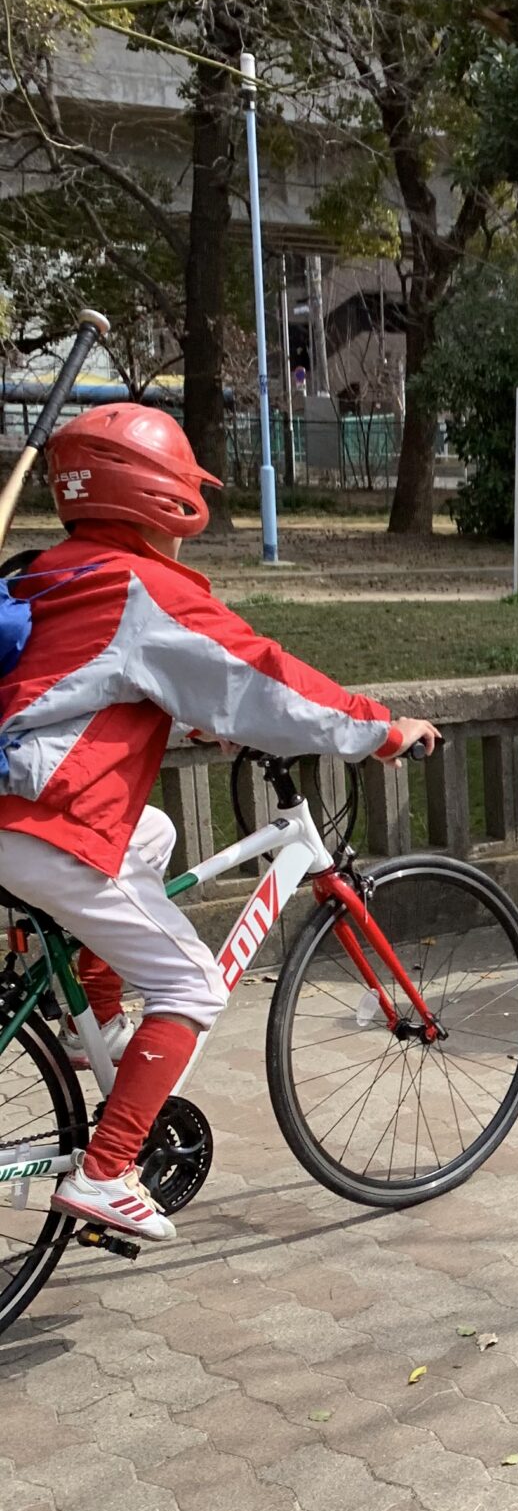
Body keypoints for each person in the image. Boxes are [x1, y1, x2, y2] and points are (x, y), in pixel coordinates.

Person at [0, 401, 439, 1245]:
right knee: (194, 984)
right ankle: (107, 1172)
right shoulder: (141, 587)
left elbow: (90, 686)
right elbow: (260, 677)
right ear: (163, 499)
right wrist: (379, 729)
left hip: (22, 806)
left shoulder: (51, 572)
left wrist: (201, 719)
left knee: (153, 836)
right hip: (49, 823)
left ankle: (100, 1023)